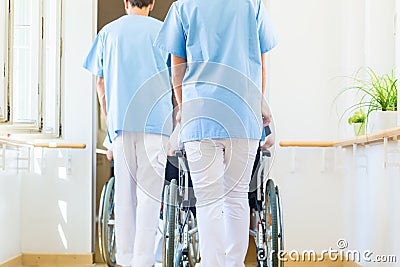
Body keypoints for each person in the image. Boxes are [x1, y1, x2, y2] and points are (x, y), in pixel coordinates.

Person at [154, 0, 277, 266]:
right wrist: (258, 102)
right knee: (236, 196)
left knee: (208, 201)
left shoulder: (183, 7)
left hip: (200, 116)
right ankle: (234, 263)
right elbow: (262, 64)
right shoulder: (252, 5)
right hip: (242, 116)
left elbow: (177, 70)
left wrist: (183, 108)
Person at [83, 0, 173, 266]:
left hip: (121, 124)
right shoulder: (163, 32)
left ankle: (124, 258)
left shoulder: (108, 33)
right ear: (152, 3)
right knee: (149, 196)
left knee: (124, 194)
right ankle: (143, 260)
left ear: (125, 2)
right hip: (157, 126)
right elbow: (175, 78)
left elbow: (100, 81)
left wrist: (110, 116)